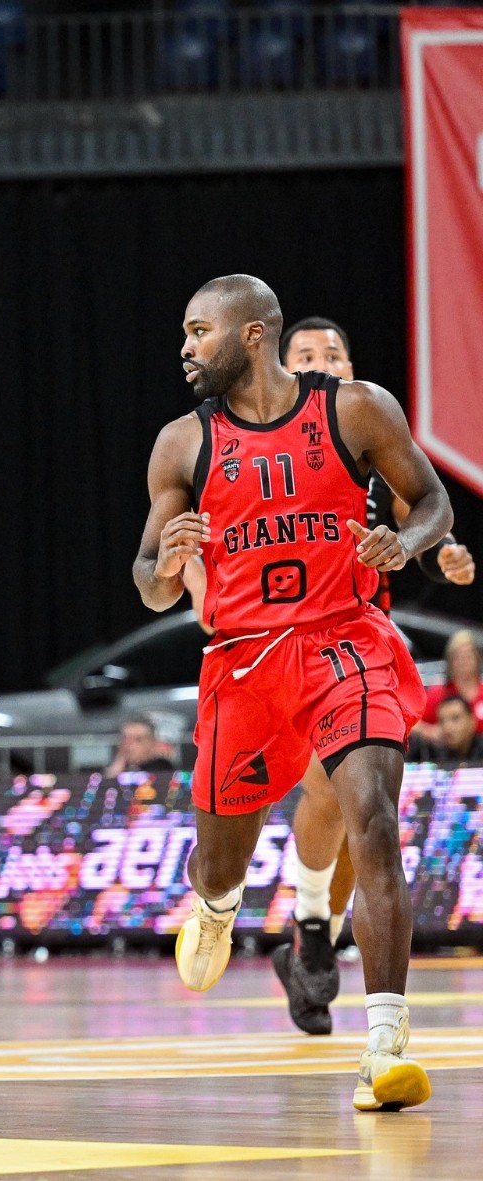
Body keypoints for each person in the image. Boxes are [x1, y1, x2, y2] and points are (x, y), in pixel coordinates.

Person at [134, 275, 451, 1111]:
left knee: (373, 821)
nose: (185, 348)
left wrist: (404, 540)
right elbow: (149, 581)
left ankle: (384, 1046)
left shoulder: (356, 409)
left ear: (251, 334)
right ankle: (217, 904)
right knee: (221, 860)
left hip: (345, 640)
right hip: (243, 662)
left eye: (198, 331)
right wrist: (166, 565)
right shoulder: (182, 443)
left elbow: (433, 502)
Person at [252, 318, 472, 1037]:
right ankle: (313, 919)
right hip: (277, 643)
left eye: (334, 354)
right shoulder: (250, 443)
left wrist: (437, 550)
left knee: (361, 805)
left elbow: (423, 510)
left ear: (352, 366)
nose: (322, 363)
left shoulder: (370, 437)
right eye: (306, 355)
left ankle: (314, 928)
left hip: (359, 642)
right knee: (329, 793)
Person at [416, 629, 483, 738]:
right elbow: (413, 722)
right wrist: (430, 732)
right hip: (445, 748)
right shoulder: (438, 693)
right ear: (450, 661)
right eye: (458, 657)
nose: (463, 662)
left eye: (468, 656)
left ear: (477, 659)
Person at [407, 694, 483, 764]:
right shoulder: (431, 754)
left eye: (455, 718)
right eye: (442, 721)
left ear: (472, 721)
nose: (447, 727)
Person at [103, 714, 177, 776]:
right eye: (124, 738)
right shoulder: (117, 767)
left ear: (151, 744)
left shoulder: (161, 768)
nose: (128, 744)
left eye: (137, 740)